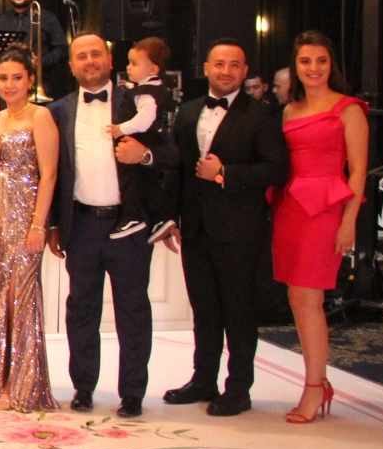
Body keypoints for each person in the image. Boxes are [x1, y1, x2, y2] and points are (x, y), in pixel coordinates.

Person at [47, 33, 177, 418]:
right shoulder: (58, 111)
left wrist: (145, 154)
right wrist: (53, 225)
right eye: (81, 56)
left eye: (96, 54)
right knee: (81, 309)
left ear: (109, 60)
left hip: (129, 226)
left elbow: (172, 153)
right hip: (82, 225)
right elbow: (49, 172)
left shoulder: (137, 100)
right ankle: (84, 387)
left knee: (133, 311)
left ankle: (133, 392)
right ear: (71, 65)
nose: (89, 61)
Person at [161, 39, 288, 418]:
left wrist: (224, 174)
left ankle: (238, 389)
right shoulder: (188, 111)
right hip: (196, 228)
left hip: (240, 229)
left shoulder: (261, 115)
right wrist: (171, 217)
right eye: (220, 64)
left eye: (235, 65)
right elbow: (177, 170)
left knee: (239, 311)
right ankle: (203, 380)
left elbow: (276, 169)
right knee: (204, 310)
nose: (227, 71)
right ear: (206, 68)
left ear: (245, 71)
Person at [274, 31, 368, 424]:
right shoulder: (289, 111)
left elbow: (358, 171)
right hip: (291, 207)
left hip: (326, 208)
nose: (314, 68)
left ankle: (315, 386)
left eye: (321, 61)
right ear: (295, 67)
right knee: (298, 299)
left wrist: (349, 221)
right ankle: (318, 382)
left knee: (307, 298)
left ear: (332, 65)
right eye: (306, 61)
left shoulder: (348, 109)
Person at [0, 50, 59, 411]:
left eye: (16, 78)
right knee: (0, 295)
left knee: (20, 297)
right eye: (3, 78)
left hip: (24, 219)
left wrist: (39, 224)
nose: (9, 85)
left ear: (30, 80)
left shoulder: (40, 116)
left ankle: (21, 384)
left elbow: (49, 174)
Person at [106, 37, 175, 241]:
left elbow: (145, 119)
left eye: (134, 64)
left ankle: (132, 216)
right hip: (143, 140)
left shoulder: (147, 93)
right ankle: (160, 218)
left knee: (131, 180)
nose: (128, 67)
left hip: (139, 142)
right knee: (148, 183)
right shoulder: (148, 87)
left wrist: (121, 129)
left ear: (153, 69)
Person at [0, 0, 69, 113]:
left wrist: (40, 62)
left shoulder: (47, 18)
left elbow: (62, 49)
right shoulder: (0, 22)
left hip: (41, 88)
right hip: (8, 92)